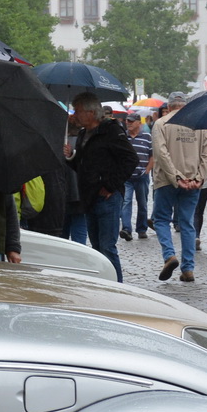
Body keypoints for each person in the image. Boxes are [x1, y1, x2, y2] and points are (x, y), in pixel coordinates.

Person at [68, 92, 137, 282]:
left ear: (91, 112)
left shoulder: (111, 131)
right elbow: (82, 166)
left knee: (107, 246)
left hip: (107, 197)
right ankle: (104, 285)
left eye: (78, 110)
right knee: (97, 248)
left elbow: (131, 159)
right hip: (89, 196)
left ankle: (118, 287)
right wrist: (71, 157)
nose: (76, 114)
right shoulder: (84, 134)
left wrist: (110, 185)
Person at [150, 92, 207, 282]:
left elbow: (161, 153)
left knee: (160, 219)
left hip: (166, 181)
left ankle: (169, 255)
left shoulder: (161, 124)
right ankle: (188, 268)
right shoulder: (200, 125)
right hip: (193, 181)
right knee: (187, 224)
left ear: (168, 107)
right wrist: (199, 177)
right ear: (186, 107)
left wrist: (175, 176)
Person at [122, 113, 153, 240]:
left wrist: (147, 170)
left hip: (142, 176)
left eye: (131, 121)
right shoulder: (123, 136)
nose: (128, 123)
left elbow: (153, 155)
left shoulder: (147, 136)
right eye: (127, 121)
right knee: (126, 201)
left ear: (139, 123)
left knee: (142, 203)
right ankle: (126, 229)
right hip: (126, 177)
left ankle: (141, 229)